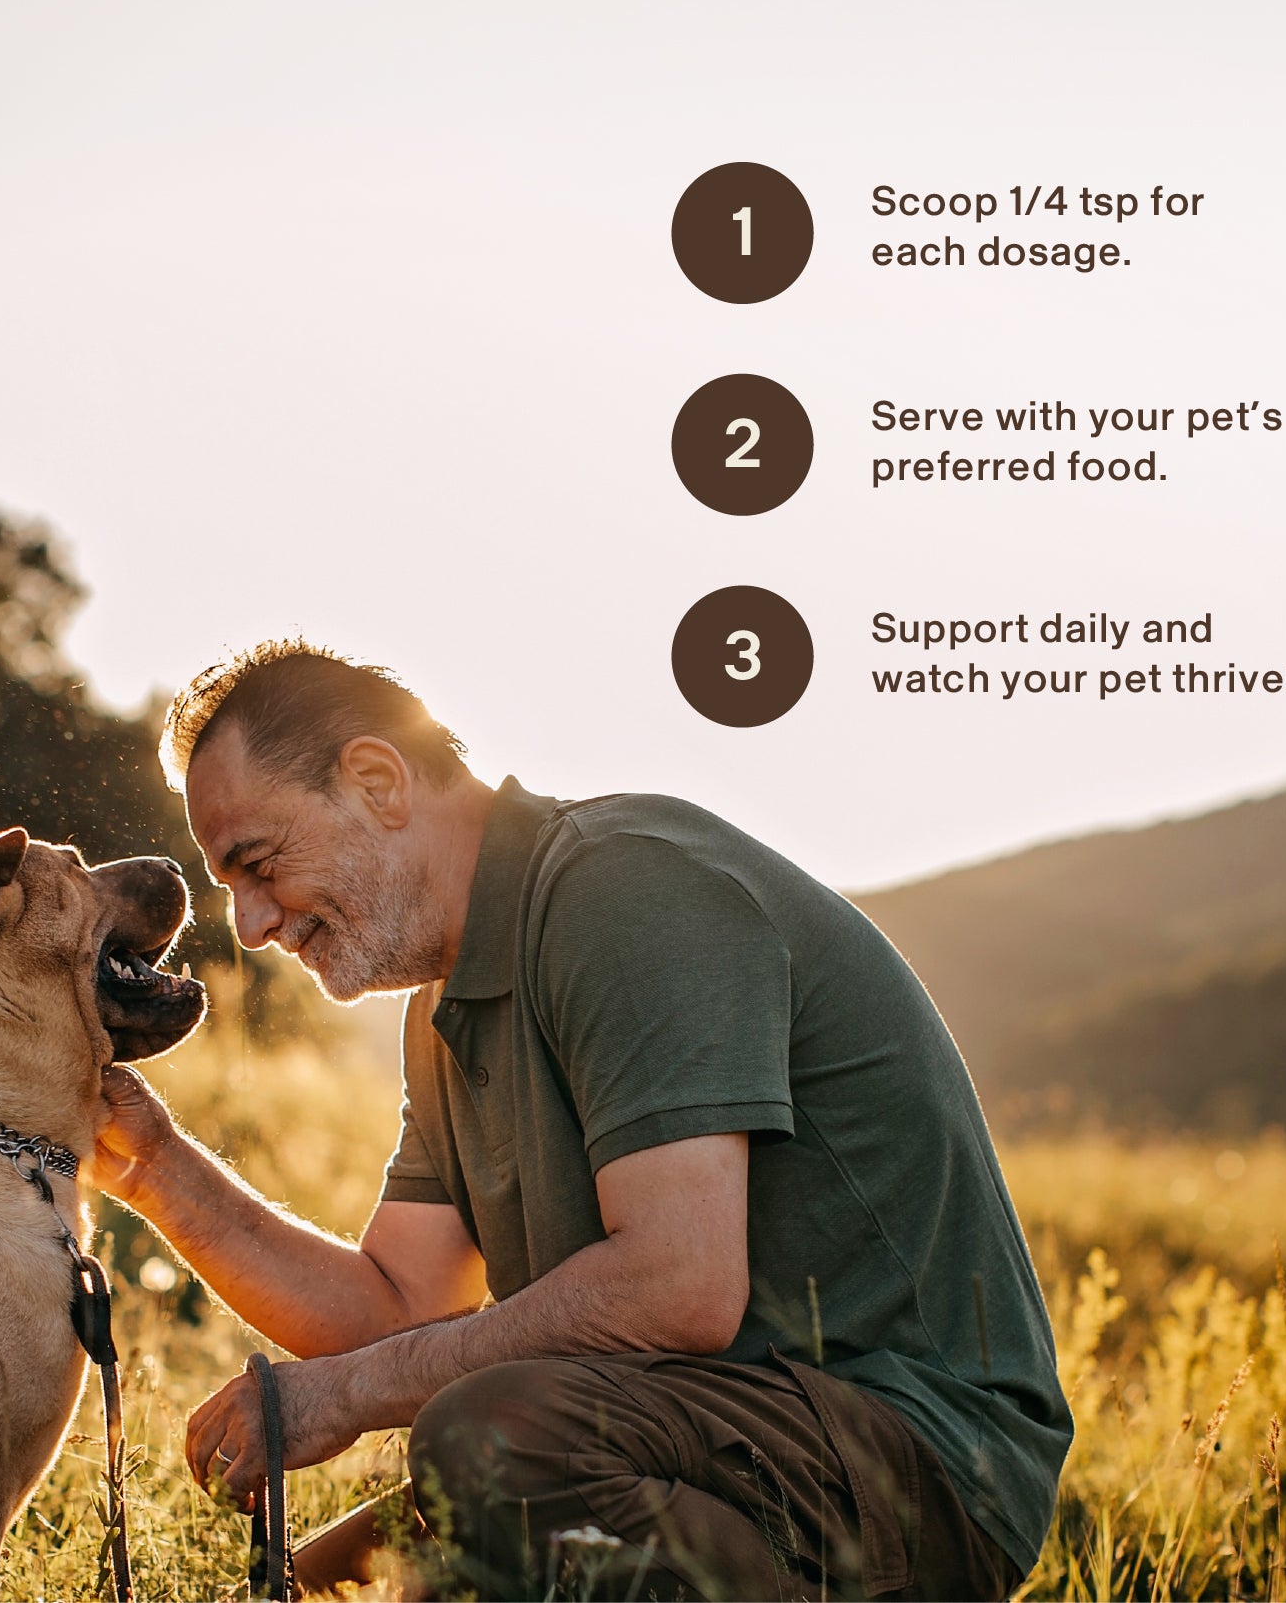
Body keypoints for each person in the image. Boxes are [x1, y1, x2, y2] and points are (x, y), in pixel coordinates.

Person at [96, 641, 1071, 1599]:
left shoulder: (623, 889)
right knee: (312, 1586)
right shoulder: (442, 1012)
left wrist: (348, 1396)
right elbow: (393, 1305)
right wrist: (151, 1162)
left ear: (377, 780)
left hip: (918, 1455)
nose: (254, 926)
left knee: (480, 1441)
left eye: (258, 864)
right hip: (706, 1440)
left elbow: (677, 1283)